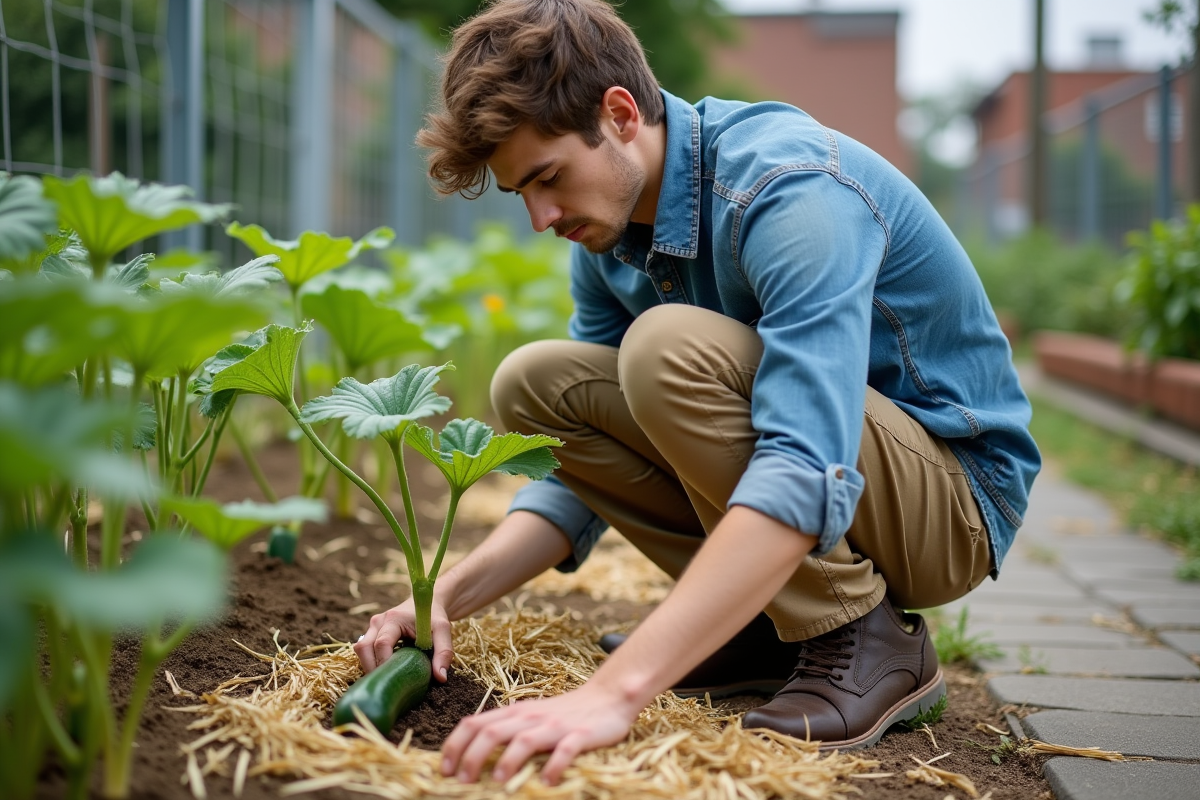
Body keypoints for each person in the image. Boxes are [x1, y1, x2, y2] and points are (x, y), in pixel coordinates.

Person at [353, 0, 1041, 786]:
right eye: (522, 195)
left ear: (618, 114)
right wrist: (443, 594)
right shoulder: (609, 237)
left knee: (665, 349)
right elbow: (576, 473)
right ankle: (763, 623)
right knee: (537, 387)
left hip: (952, 501)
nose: (541, 216)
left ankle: (864, 636)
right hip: (840, 488)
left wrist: (615, 694)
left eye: (547, 177)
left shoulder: (789, 191)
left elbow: (803, 460)